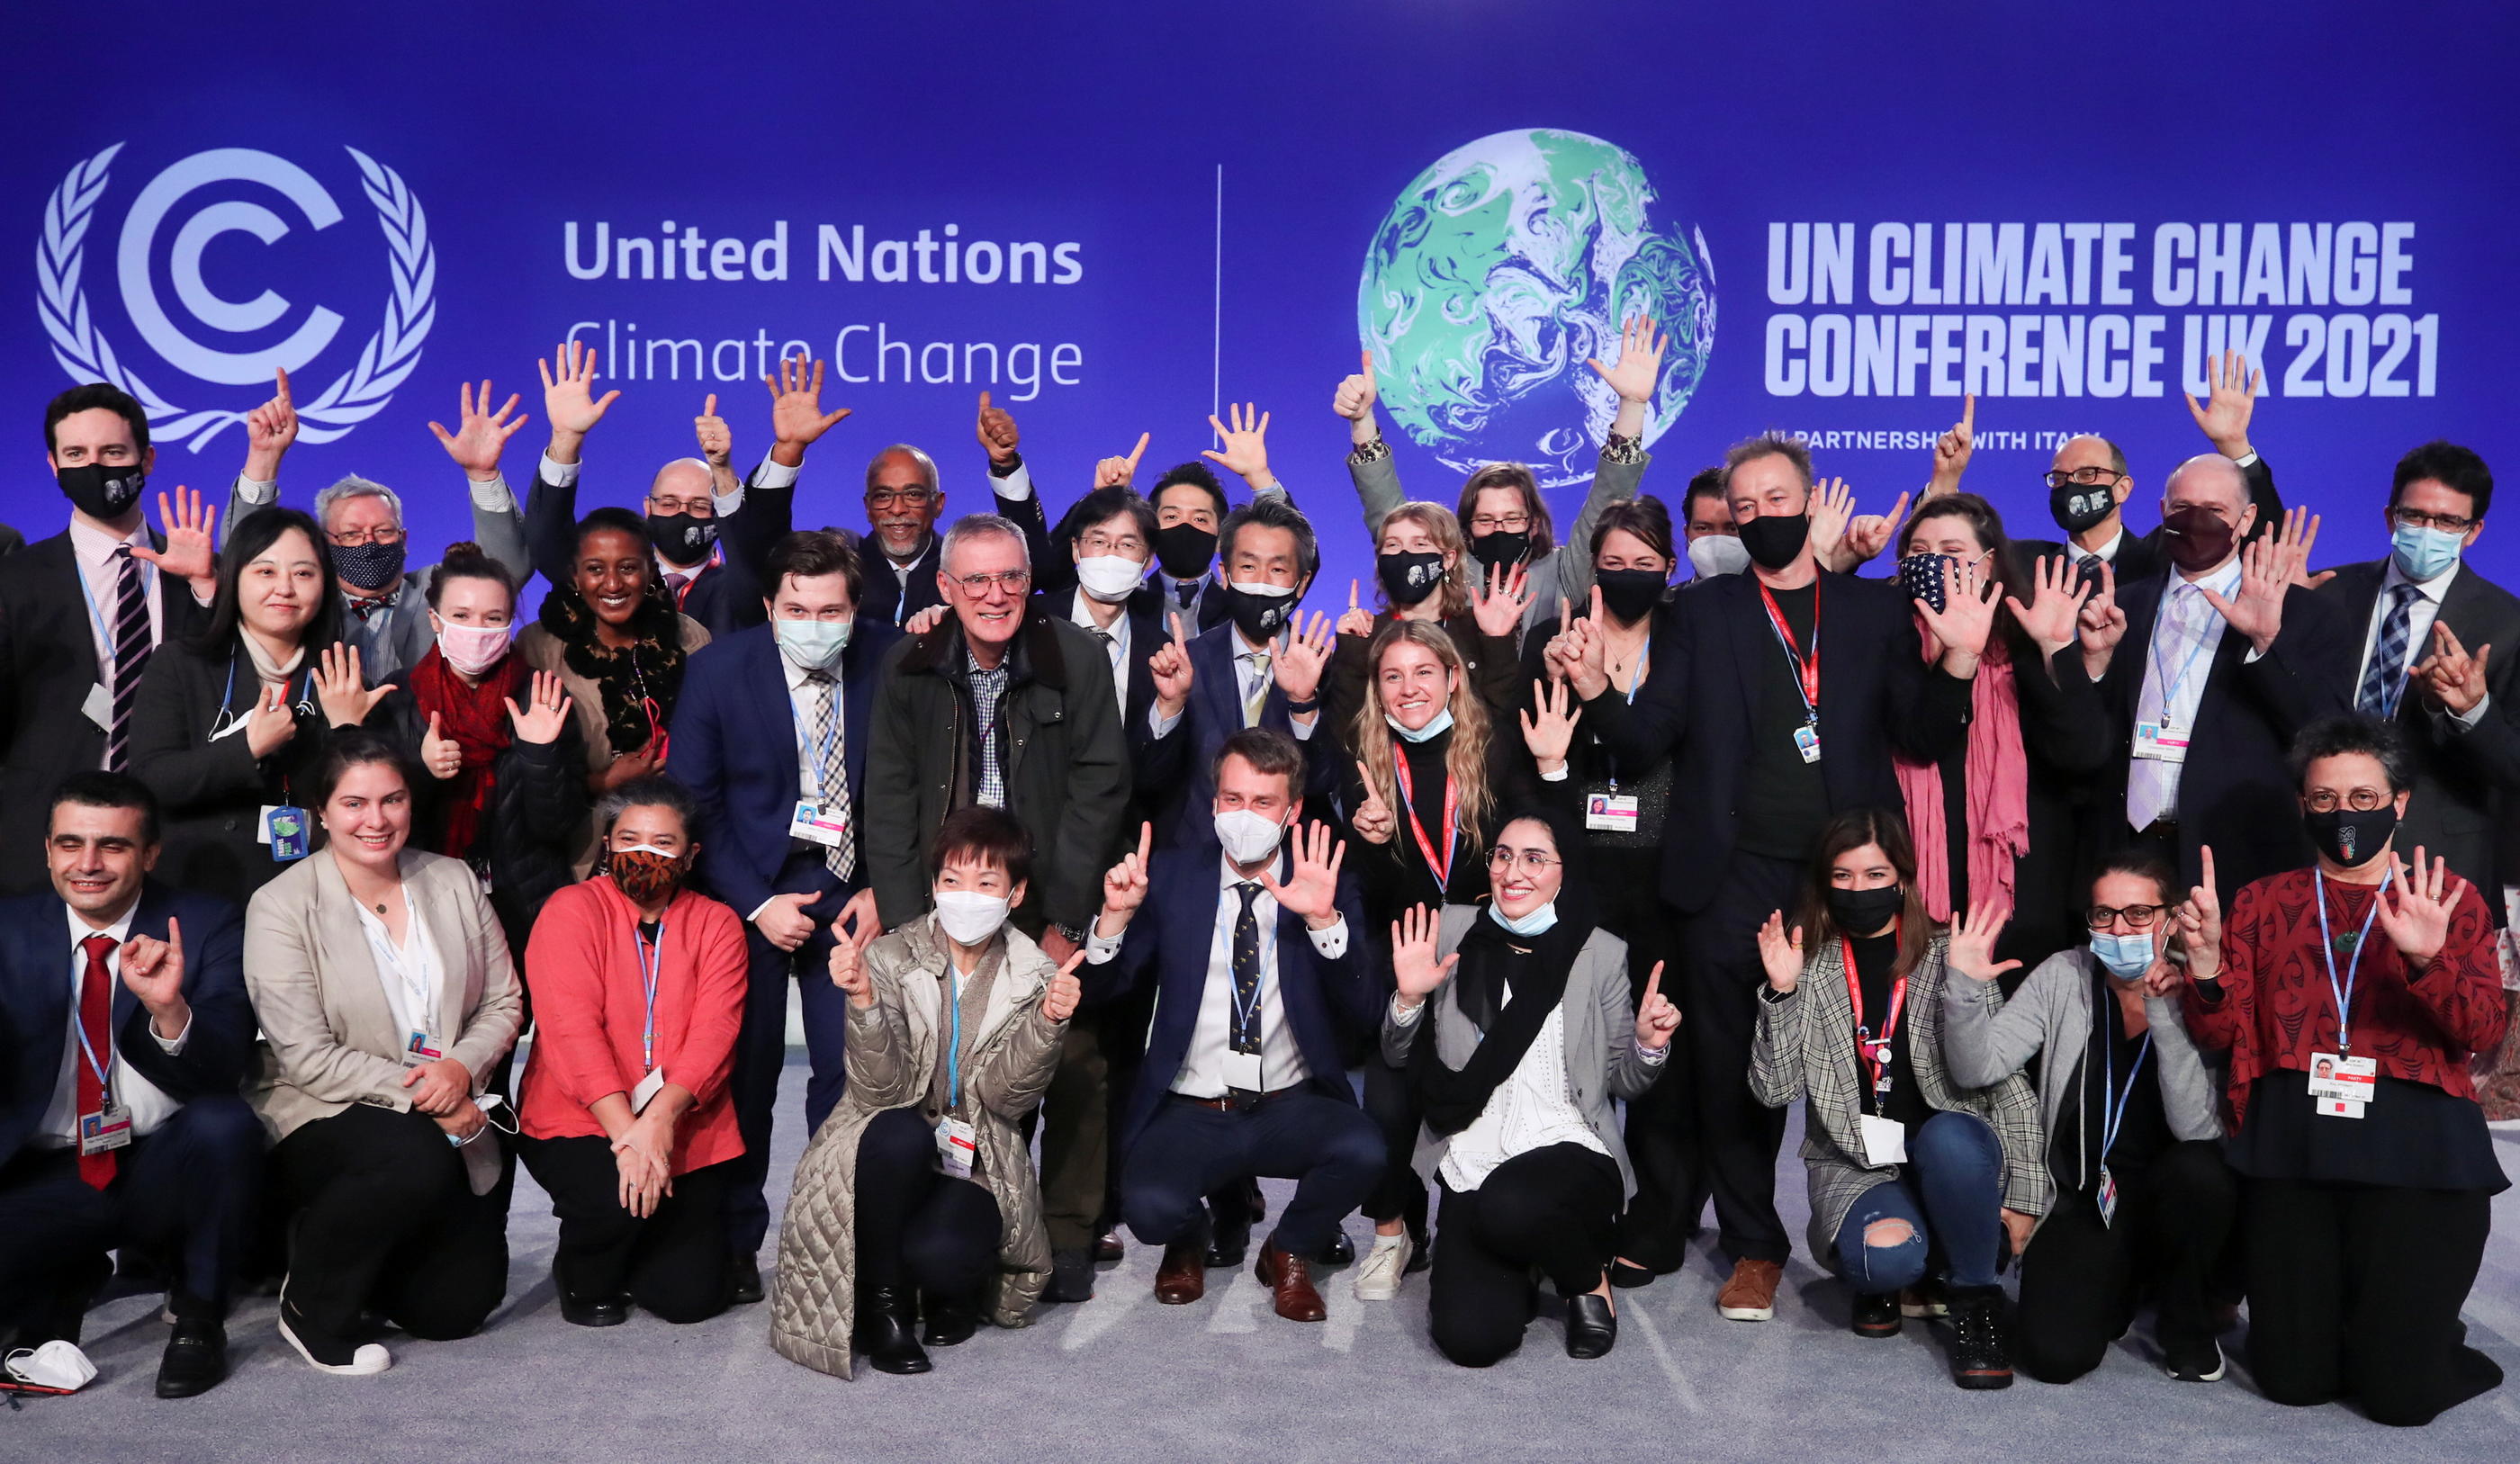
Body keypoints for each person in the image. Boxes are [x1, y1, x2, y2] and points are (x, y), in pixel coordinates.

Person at [1607, 436, 1980, 1323]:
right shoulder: (1703, 613)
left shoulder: (1869, 612)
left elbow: (1920, 736)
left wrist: (1957, 660)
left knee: (1876, 1056)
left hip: (1847, 873)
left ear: (1810, 503)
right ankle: (1754, 1246)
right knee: (1735, 1072)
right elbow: (1646, 735)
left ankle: (1890, 1236)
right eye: (1744, 506)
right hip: (1729, 874)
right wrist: (1598, 693)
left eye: (1778, 499)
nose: (1762, 516)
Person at [2174, 714, 2507, 1426]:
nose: (2343, 814)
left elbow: (2484, 1030)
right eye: (2324, 799)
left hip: (2418, 1156)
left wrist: (2428, 957)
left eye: (2363, 797)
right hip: (2297, 1150)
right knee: (2293, 1382)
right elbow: (2219, 1031)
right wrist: (2204, 966)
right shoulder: (2262, 903)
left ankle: (2424, 1338)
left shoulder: (2449, 898)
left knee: (2397, 1398)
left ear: (2401, 802)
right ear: (2302, 804)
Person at [242, 730, 523, 1375]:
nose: (376, 819)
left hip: (447, 1102)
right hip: (319, 1110)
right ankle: (312, 1304)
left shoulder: (451, 879)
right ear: (321, 811)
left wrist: (456, 1070)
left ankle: (366, 1262)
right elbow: (307, 1056)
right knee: (413, 1152)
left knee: (455, 1309)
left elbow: (505, 1001)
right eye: (354, 803)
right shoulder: (282, 906)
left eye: (392, 799)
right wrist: (425, 1095)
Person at [770, 807, 1084, 1378]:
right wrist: (863, 1000)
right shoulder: (889, 956)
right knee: (899, 1134)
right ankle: (886, 1309)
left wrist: (1047, 1025)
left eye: (986, 883)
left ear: (1015, 895)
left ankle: (945, 1289)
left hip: (975, 1158)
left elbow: (1007, 1100)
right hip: (889, 1147)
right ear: (934, 886)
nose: (967, 896)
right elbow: (878, 1090)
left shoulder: (1036, 973)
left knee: (944, 1257)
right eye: (952, 881)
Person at [669, 530, 899, 1304]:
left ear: (854, 607)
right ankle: (738, 1240)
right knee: (745, 1075)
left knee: (848, 1076)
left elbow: (920, 786)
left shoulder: (893, 659)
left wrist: (885, 891)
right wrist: (758, 904)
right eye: (796, 608)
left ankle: (831, 1235)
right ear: (769, 608)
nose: (814, 621)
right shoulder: (717, 672)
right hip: (750, 891)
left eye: (830, 608)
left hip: (856, 894)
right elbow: (694, 802)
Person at [1088, 731, 1382, 1323]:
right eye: (1233, 798)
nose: (1244, 814)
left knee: (1365, 1150)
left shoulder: (1322, 878)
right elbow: (1105, 993)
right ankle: (1192, 1233)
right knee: (1145, 1206)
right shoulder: (1170, 877)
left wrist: (1325, 921)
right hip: (1193, 1103)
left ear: (1293, 809)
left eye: (1263, 802)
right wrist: (1113, 919)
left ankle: (1289, 1248)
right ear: (1215, 802)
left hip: (1287, 1099)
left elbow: (1367, 1010)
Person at [1750, 808, 2048, 1388]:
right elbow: (1774, 1091)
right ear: (1825, 884)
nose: (1859, 890)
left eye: (1874, 874)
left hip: (1951, 1148)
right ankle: (1897, 1271)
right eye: (1843, 877)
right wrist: (1781, 994)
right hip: (1857, 1163)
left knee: (1948, 1140)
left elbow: (2004, 1080)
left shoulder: (1947, 953)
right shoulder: (1807, 964)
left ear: (1903, 878)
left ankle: (1975, 1301)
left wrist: (2026, 1191)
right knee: (1883, 1261)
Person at [1337, 618, 1582, 1298]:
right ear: (1377, 688)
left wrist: (1555, 769)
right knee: (1388, 1097)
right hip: (1408, 949)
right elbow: (1360, 883)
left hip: (1489, 950)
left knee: (1484, 1094)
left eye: (1423, 672)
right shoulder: (1363, 756)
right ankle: (1393, 1232)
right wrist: (1368, 836)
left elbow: (1545, 844)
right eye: (1393, 675)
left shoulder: (1496, 744)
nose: (1408, 687)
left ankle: (1480, 1223)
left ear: (1452, 676)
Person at [1382, 806, 1677, 1366]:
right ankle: (1524, 1256)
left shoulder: (1601, 952)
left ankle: (1586, 1279)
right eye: (1503, 855)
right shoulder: (1451, 930)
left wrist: (1647, 1044)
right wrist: (1409, 999)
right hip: (1472, 1150)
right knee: (1471, 1341)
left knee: (1510, 1204)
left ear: (1564, 870)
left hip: (1567, 1142)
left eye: (1535, 859)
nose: (1514, 871)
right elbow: (1396, 1054)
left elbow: (1625, 1084)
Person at [0, 774, 260, 1397]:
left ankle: (200, 1316)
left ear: (149, 853)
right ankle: (72, 1266)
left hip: (157, 1162)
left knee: (225, 1124)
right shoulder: (7, 930)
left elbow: (225, 1067)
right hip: (44, 1169)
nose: (87, 864)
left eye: (112, 846)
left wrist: (169, 1010)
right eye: (70, 844)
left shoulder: (203, 924)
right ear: (48, 851)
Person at [1940, 852, 2235, 1384]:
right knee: (2055, 1357)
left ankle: (2188, 1322)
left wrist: (2164, 1012)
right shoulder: (2063, 975)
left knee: (2201, 1175)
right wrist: (1963, 990)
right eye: (2104, 914)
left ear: (2171, 917)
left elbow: (2196, 1127)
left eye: (2138, 913)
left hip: (2174, 1195)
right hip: (2085, 1193)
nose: (2119, 928)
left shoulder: (2203, 985)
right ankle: (2123, 1285)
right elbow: (1976, 1065)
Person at [1528, 498, 1699, 1280]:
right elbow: (1539, 755)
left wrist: (1600, 685)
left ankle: (1660, 1215)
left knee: (1658, 1042)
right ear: (1590, 567)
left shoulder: (1687, 637)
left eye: (1643, 564)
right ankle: (1578, 1197)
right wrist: (1560, 672)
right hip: (1582, 872)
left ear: (1670, 566)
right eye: (1612, 564)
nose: (1626, 577)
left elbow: (1649, 745)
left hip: (1665, 871)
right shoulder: (1552, 636)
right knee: (1580, 1045)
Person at [516, 776, 749, 1327]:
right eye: (629, 839)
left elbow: (716, 1033)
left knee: (691, 1300)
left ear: (690, 855)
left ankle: (643, 1236)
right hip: (581, 1119)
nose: (644, 853)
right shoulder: (569, 909)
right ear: (608, 846)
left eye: (663, 843)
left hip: (683, 1121)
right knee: (612, 1205)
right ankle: (582, 1267)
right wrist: (630, 1136)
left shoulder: (718, 923)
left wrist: (661, 1119)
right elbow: (571, 1032)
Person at [2075, 459, 2346, 904]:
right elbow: (2088, 734)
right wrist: (2094, 663)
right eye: (2182, 506)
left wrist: (2264, 641)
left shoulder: (2304, 613)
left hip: (2238, 855)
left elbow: (2324, 736)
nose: (2196, 520)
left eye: (2215, 510)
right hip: (2126, 853)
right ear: (2162, 510)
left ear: (2247, 520)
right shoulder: (2118, 607)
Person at [861, 514, 1130, 948]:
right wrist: (906, 926)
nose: (996, 595)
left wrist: (1065, 924)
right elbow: (889, 799)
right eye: (977, 580)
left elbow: (1097, 795)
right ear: (945, 588)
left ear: (1029, 580)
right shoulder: (907, 664)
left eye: (1011, 578)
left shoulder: (1079, 658)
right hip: (940, 896)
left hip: (1039, 893)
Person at [0, 383, 221, 893]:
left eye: (112, 453)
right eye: (76, 454)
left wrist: (207, 591)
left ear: (146, 460)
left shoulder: (200, 570)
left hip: (182, 833)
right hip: (47, 838)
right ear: (54, 466)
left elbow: (229, 684)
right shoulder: (14, 579)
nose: (94, 467)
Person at [1333, 316, 1667, 641]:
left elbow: (1609, 494)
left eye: (1512, 518)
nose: (1499, 529)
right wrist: (1362, 421)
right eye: (1486, 520)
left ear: (1533, 524)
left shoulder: (1563, 572)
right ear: (1468, 529)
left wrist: (1632, 405)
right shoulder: (1451, 572)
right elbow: (1388, 512)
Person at [1887, 495, 2114, 967]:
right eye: (1918, 550)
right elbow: (1921, 741)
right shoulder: (1888, 647)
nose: (1933, 563)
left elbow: (2085, 752)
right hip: (1912, 887)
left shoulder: (2024, 647)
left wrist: (2057, 647)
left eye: (1951, 551)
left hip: (2021, 894)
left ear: (1988, 565)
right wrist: (1960, 659)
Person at [128, 506, 385, 906]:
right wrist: (245, 748)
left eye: (303, 573)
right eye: (265, 572)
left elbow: (368, 808)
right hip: (199, 890)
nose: (284, 588)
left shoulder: (342, 677)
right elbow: (151, 781)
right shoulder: (181, 663)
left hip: (312, 892)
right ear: (234, 578)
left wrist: (345, 732)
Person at [2313, 441, 2520, 907]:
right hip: (2318, 849)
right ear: (2391, 518)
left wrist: (2472, 710)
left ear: (2473, 532)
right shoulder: (2327, 592)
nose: (2429, 531)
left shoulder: (2509, 624)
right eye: (2416, 516)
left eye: (2447, 521)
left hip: (2439, 863)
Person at [518, 344, 844, 638]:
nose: (682, 514)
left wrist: (735, 465)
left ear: (718, 515)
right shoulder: (610, 585)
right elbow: (547, 542)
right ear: (647, 508)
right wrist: (565, 438)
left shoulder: (745, 590)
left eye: (700, 505)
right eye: (670, 503)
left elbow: (760, 541)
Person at [224, 373, 530, 686]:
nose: (369, 543)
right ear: (325, 543)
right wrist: (263, 459)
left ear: (405, 538)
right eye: (351, 534)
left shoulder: (438, 588)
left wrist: (483, 475)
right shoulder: (303, 599)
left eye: (384, 531)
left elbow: (505, 570)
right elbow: (242, 559)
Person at [374, 543, 588, 959]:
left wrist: (539, 755)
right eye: (461, 616)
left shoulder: (540, 698)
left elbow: (559, 827)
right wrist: (421, 770)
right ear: (435, 619)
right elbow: (378, 828)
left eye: (494, 618)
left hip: (527, 905)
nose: (478, 629)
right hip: (423, 902)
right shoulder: (398, 698)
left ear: (510, 623)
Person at [518, 507, 712, 875]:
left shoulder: (691, 639)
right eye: (595, 569)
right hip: (577, 851)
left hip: (674, 841)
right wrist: (604, 782)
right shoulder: (538, 647)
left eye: (627, 567)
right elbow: (523, 769)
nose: (612, 584)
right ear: (575, 576)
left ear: (650, 571)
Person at [1138, 493, 1336, 850]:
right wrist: (1170, 705)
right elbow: (1149, 780)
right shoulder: (1186, 662)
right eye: (1248, 566)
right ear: (1224, 574)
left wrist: (1302, 702)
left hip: (1291, 870)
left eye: (1277, 569)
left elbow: (1323, 785)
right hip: (1194, 865)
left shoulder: (1327, 668)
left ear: (1302, 583)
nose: (1261, 581)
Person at [1990, 353, 2286, 585]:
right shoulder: (2023, 563)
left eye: (2087, 475)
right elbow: (1949, 551)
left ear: (2123, 488)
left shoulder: (2168, 554)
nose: (2071, 487)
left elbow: (2261, 539)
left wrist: (2234, 446)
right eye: (2059, 478)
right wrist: (1948, 479)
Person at [982, 393, 1293, 612]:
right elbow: (1045, 572)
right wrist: (1101, 501)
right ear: (1150, 536)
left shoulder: (1244, 608)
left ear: (1220, 539)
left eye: (1200, 519)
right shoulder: (1113, 596)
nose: (1185, 526)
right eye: (1171, 516)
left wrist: (1260, 477)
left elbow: (1299, 560)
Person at [1322, 501, 1528, 727]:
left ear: (1448, 559)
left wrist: (1497, 640)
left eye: (1419, 544)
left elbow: (1504, 724)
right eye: (1392, 545)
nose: (1404, 555)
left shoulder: (1477, 627)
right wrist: (1351, 650)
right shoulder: (1367, 634)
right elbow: (1346, 729)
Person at [854, 439, 951, 629]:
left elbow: (1022, 564)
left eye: (913, 494)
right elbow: (780, 559)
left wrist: (1005, 467)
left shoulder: (960, 568)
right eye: (883, 496)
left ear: (938, 504)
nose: (897, 509)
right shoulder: (844, 560)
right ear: (868, 508)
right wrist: (787, 456)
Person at [1679, 467, 1746, 582]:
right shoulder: (1669, 600)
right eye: (1704, 528)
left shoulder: (1779, 599)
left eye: (1732, 528)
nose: (1717, 543)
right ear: (1686, 534)